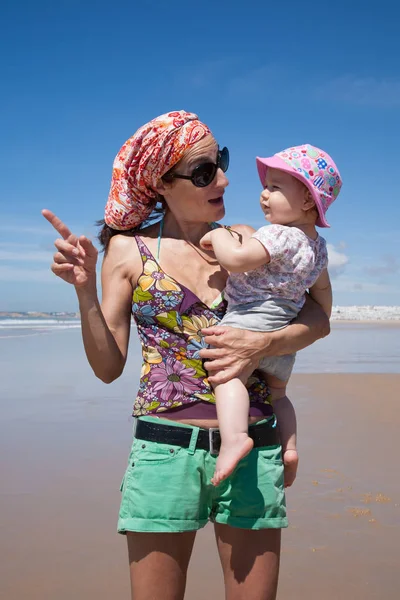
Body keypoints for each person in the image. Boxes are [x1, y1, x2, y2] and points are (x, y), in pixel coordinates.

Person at [42, 111, 330, 600]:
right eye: (203, 172)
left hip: (256, 446)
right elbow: (108, 367)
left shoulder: (247, 239)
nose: (223, 178)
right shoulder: (129, 253)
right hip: (164, 451)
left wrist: (266, 343)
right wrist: (85, 292)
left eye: (220, 161)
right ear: (161, 182)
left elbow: (319, 317)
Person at [199, 144, 341, 486]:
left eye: (275, 188)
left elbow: (236, 260)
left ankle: (235, 439)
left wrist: (219, 235)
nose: (264, 195)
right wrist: (322, 313)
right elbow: (321, 294)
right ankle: (289, 446)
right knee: (279, 394)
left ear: (307, 200)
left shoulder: (279, 234)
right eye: (266, 186)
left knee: (227, 377)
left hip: (250, 318)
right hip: (284, 335)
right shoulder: (317, 246)